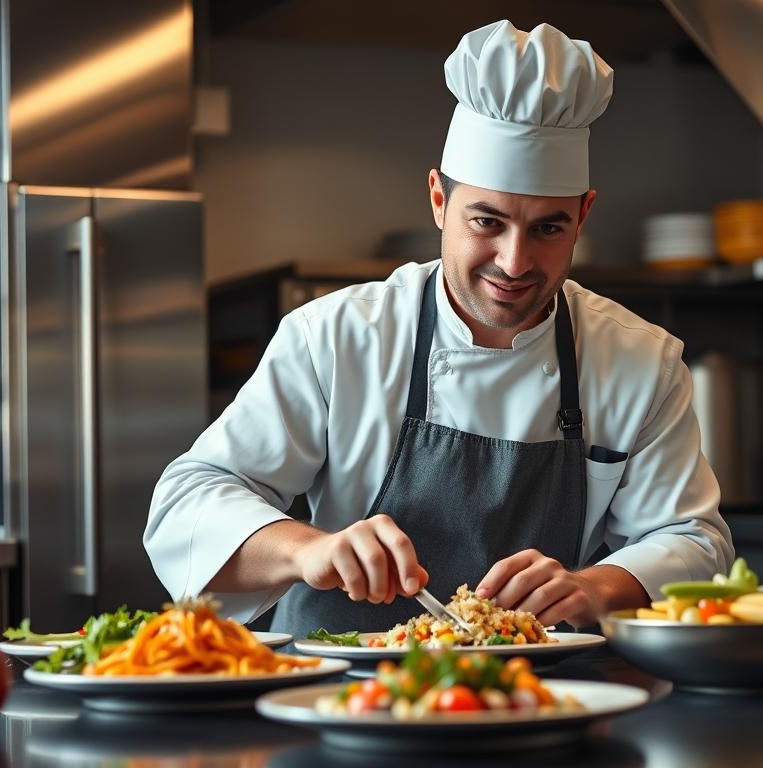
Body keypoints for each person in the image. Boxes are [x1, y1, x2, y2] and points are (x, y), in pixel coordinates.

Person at [144, 20, 733, 637]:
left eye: (548, 228)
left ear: (582, 216)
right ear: (438, 201)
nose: (515, 262)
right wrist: (308, 549)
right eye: (487, 222)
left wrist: (596, 587)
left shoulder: (639, 360)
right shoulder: (337, 337)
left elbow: (694, 538)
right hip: (340, 678)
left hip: (546, 683)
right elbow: (188, 502)